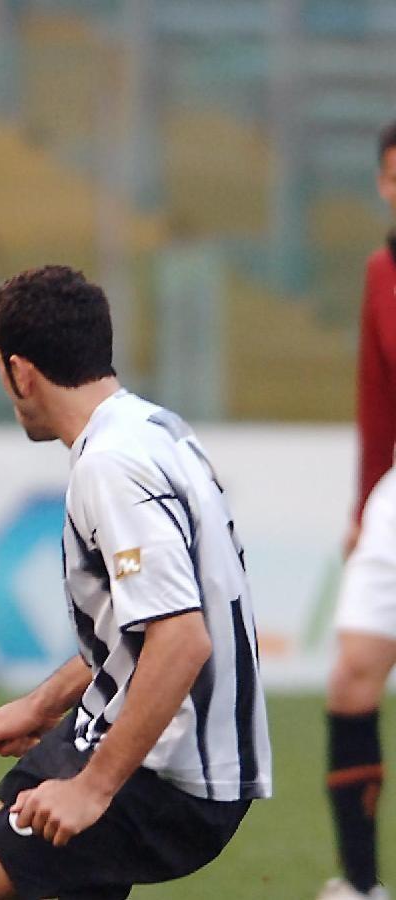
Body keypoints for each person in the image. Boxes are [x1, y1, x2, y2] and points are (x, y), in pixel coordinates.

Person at [0, 265, 272, 900]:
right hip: (166, 748)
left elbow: (182, 639)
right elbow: (150, 620)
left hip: (172, 774)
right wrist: (44, 706)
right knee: (27, 832)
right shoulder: (157, 430)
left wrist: (92, 788)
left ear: (21, 371)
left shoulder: (112, 467)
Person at [320, 119, 396, 900]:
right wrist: (364, 502)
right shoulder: (382, 271)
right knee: (350, 679)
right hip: (395, 499)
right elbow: (379, 397)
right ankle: (363, 884)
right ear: (383, 183)